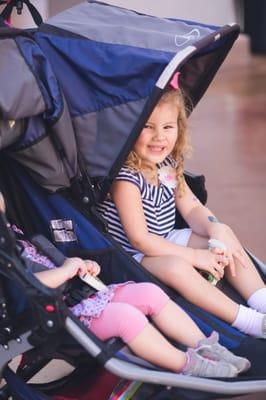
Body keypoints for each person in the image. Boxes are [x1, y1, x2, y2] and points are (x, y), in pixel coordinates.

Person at [0, 191, 250, 378]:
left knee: (149, 293)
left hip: (80, 298)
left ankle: (206, 346)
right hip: (54, 319)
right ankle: (187, 365)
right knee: (126, 318)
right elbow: (26, 284)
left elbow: (46, 262)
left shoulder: (11, 235)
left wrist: (77, 264)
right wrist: (67, 271)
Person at [98, 73, 266, 340]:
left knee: (226, 235)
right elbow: (141, 240)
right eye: (147, 127)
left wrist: (215, 229)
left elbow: (191, 208)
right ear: (130, 129)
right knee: (177, 268)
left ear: (180, 129)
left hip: (167, 238)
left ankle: (261, 299)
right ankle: (247, 321)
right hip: (135, 256)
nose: (159, 137)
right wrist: (195, 257)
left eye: (168, 127)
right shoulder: (126, 179)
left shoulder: (167, 165)